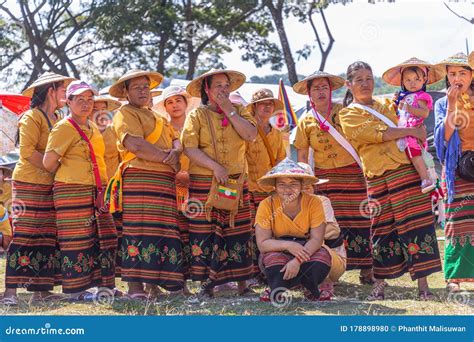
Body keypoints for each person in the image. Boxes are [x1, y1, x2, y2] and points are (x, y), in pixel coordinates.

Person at [339, 61, 442, 300]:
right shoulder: (347, 114)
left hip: (406, 171)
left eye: (369, 78)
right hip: (377, 177)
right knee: (381, 229)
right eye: (359, 79)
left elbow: (411, 117)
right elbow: (376, 135)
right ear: (349, 84)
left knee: (417, 224)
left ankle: (424, 287)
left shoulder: (388, 104)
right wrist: (410, 132)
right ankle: (380, 285)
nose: (366, 84)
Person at [181, 69, 257, 297]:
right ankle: (206, 287)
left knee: (238, 231)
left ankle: (243, 285)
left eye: (226, 85)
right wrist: (215, 166)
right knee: (205, 233)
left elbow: (251, 134)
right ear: (207, 89)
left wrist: (229, 110)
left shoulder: (241, 111)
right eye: (218, 86)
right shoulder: (196, 115)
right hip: (204, 182)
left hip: (234, 181)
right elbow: (189, 147)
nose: (223, 90)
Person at [293, 71, 374, 284]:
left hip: (353, 176)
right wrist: (304, 183)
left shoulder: (345, 113)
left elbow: (360, 142)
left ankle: (368, 270)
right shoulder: (305, 121)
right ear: (309, 93)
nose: (320, 92)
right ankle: (331, 269)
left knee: (362, 221)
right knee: (330, 224)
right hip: (325, 180)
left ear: (331, 90)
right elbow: (302, 155)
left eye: (324, 87)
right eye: (316, 88)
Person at [109, 70, 183, 299]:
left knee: (161, 232)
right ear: (126, 92)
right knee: (138, 231)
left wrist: (176, 151)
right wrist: (167, 156)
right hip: (139, 178)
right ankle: (134, 287)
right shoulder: (124, 113)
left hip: (163, 180)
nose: (143, 91)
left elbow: (176, 140)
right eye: (136, 87)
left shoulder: (158, 116)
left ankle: (152, 285)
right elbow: (135, 145)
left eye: (145, 87)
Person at [1, 73, 74, 305]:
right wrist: (52, 166)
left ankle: (40, 290)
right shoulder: (31, 117)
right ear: (50, 90)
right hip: (29, 183)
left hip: (50, 183)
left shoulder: (59, 117)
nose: (66, 93)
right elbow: (27, 152)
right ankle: (10, 292)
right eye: (62, 88)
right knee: (24, 235)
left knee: (46, 237)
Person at [43, 81, 117, 300]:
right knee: (75, 240)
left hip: (95, 188)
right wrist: (71, 172)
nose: (86, 104)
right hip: (71, 189)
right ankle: (75, 290)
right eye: (80, 100)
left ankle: (102, 286)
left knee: (103, 237)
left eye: (90, 99)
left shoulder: (93, 127)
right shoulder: (64, 127)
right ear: (69, 102)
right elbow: (49, 162)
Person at [255, 158, 332, 301]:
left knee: (322, 258)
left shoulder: (314, 202)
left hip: (307, 249)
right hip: (278, 248)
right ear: (275, 187)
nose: (287, 190)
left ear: (302, 185)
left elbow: (317, 239)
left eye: (294, 184)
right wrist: (289, 245)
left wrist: (297, 260)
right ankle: (277, 288)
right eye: (282, 184)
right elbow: (263, 243)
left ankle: (310, 287)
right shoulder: (266, 205)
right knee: (273, 261)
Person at [434, 52, 474, 292]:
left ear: (472, 75)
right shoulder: (442, 103)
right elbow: (444, 140)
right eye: (452, 74)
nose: (457, 78)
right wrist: (451, 104)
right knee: (457, 223)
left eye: (462, 73)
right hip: (457, 169)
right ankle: (454, 278)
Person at [155, 85, 195, 294]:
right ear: (165, 107)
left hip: (195, 184)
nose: (174, 105)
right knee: (171, 233)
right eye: (169, 102)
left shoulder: (195, 125)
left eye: (178, 100)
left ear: (185, 103)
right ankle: (161, 283)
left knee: (189, 234)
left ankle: (185, 283)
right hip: (170, 185)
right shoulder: (162, 127)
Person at [382, 58, 444, 193]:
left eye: (416, 79)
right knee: (412, 155)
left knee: (415, 154)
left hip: (414, 131)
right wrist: (397, 103)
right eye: (408, 80)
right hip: (405, 129)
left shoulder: (421, 96)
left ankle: (425, 179)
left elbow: (425, 113)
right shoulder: (404, 96)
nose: (412, 83)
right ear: (402, 82)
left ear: (424, 80)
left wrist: (408, 108)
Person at [245, 88, 286, 277]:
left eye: (270, 104)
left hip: (269, 192)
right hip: (248, 189)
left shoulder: (277, 134)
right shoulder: (245, 130)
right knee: (249, 232)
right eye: (263, 103)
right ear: (254, 107)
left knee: (269, 232)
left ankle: (268, 270)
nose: (267, 106)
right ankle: (251, 272)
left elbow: (281, 163)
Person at [298, 162, 346, 300]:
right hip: (300, 251)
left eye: (309, 185)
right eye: (301, 185)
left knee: (318, 245)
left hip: (328, 253)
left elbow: (329, 232)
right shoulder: (286, 204)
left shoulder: (322, 201)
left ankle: (325, 281)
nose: (306, 189)